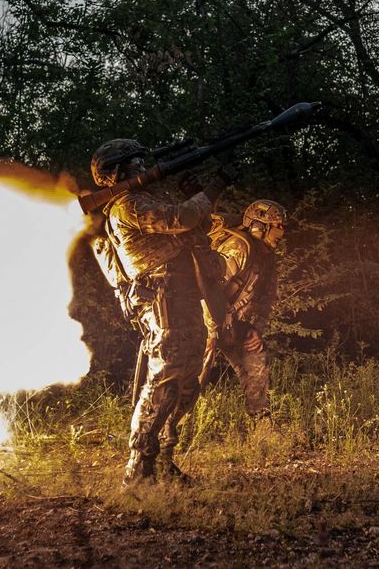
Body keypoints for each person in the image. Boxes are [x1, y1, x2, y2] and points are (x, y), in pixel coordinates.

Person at [88, 139, 233, 484]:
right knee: (165, 379)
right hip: (162, 300)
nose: (145, 166)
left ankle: (163, 459)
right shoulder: (128, 204)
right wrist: (216, 185)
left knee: (186, 383)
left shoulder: (143, 200)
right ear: (120, 171)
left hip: (181, 298)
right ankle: (138, 467)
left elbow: (195, 225)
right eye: (138, 162)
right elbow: (182, 218)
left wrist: (198, 191)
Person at [203, 199, 286, 421]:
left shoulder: (268, 258)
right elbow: (206, 289)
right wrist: (211, 332)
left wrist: (255, 329)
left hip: (234, 325)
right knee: (191, 378)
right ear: (259, 226)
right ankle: (169, 431)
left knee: (256, 364)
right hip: (204, 322)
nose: (282, 231)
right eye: (277, 225)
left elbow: (267, 300)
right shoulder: (238, 248)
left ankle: (261, 425)